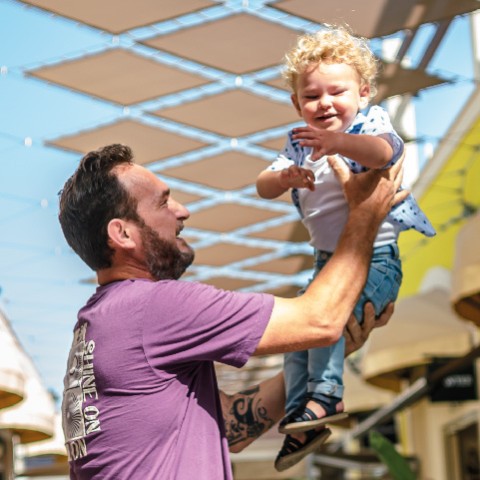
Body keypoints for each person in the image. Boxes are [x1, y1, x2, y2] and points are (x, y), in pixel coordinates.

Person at [58, 142, 405, 479]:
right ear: (122, 233)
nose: (182, 211)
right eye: (163, 202)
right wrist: (364, 215)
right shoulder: (153, 307)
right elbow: (320, 319)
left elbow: (230, 427)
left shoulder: (100, 322)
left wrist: (318, 357)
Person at [256, 25, 435, 471]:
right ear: (298, 105)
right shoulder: (299, 142)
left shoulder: (367, 124)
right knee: (297, 336)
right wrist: (284, 179)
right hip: (325, 263)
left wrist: (339, 142)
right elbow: (262, 185)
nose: (325, 103)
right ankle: (304, 415)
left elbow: (382, 153)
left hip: (375, 259)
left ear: (364, 92)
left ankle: (327, 397)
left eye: (337, 91)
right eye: (311, 96)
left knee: (324, 322)